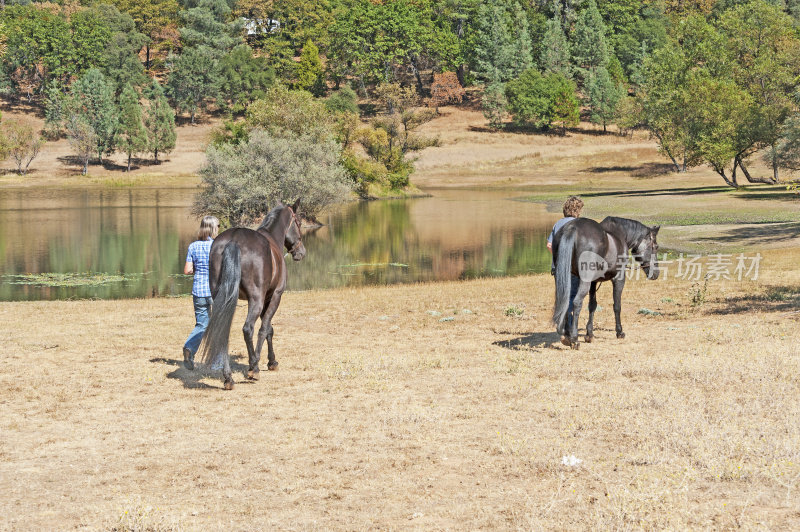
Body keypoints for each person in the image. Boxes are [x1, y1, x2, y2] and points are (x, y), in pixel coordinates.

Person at [182, 215, 219, 370]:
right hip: (214, 291)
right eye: (217, 226)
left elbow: (187, 270)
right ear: (213, 228)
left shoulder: (193, 246)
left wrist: (199, 268)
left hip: (198, 291)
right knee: (218, 326)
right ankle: (217, 362)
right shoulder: (217, 246)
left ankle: (189, 348)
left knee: (202, 324)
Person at [547, 196, 583, 344]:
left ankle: (561, 327)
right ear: (578, 210)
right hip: (574, 268)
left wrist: (559, 257)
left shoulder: (558, 224)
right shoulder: (580, 224)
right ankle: (567, 329)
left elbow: (549, 245)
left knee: (561, 295)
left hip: (558, 267)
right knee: (572, 296)